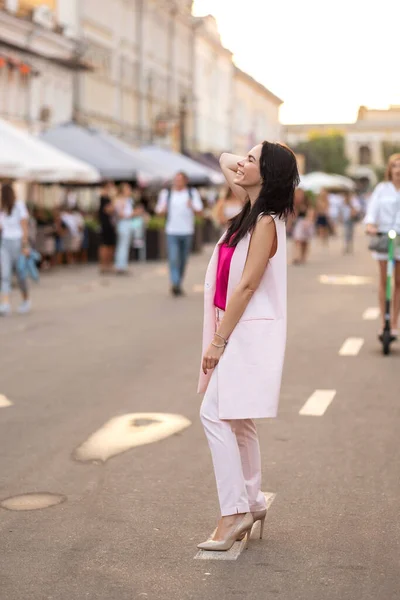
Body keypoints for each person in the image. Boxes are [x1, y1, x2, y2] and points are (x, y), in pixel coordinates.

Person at [197, 142, 299, 551]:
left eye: (252, 160)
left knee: (213, 415)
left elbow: (248, 284)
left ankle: (233, 511)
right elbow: (224, 159)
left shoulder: (266, 223)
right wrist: (249, 159)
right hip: (233, 325)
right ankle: (253, 501)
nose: (241, 163)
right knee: (238, 420)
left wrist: (219, 341)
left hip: (242, 332)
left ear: (268, 174)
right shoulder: (252, 209)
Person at [364, 153, 400, 337]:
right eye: (395, 166)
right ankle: (383, 321)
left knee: (398, 282)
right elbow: (372, 209)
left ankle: (394, 322)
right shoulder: (382, 189)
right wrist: (370, 225)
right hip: (384, 236)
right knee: (384, 279)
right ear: (390, 169)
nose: (398, 169)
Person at [155, 172, 203, 296]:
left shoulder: (192, 193)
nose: (177, 182)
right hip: (172, 231)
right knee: (173, 258)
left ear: (185, 181)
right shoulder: (167, 194)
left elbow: (199, 212)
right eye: (176, 179)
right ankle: (175, 283)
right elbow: (158, 211)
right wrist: (163, 209)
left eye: (180, 179)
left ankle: (178, 281)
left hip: (187, 231)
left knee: (182, 259)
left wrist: (191, 206)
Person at [0, 183, 31, 315]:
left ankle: (25, 299)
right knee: (5, 274)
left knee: (20, 275)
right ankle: (5, 304)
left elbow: (24, 226)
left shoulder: (19, 206)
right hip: (5, 242)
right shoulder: (2, 208)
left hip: (18, 242)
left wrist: (25, 245)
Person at [114, 183, 143, 274]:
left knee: (125, 245)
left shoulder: (129, 200)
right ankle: (120, 266)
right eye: (127, 189)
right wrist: (134, 213)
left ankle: (122, 265)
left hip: (128, 224)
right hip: (123, 224)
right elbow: (121, 215)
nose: (129, 191)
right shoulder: (120, 201)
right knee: (122, 245)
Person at [292, 188, 315, 265]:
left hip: (307, 224)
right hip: (298, 224)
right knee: (297, 240)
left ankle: (303, 256)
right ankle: (296, 256)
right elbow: (293, 216)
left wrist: (308, 221)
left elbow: (311, 213)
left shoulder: (308, 204)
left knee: (305, 242)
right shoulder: (295, 204)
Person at [98, 181, 117, 274]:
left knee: (110, 245)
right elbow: (109, 210)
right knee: (105, 245)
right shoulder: (104, 197)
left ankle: (108, 265)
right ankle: (104, 265)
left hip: (109, 224)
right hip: (106, 224)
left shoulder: (106, 197)